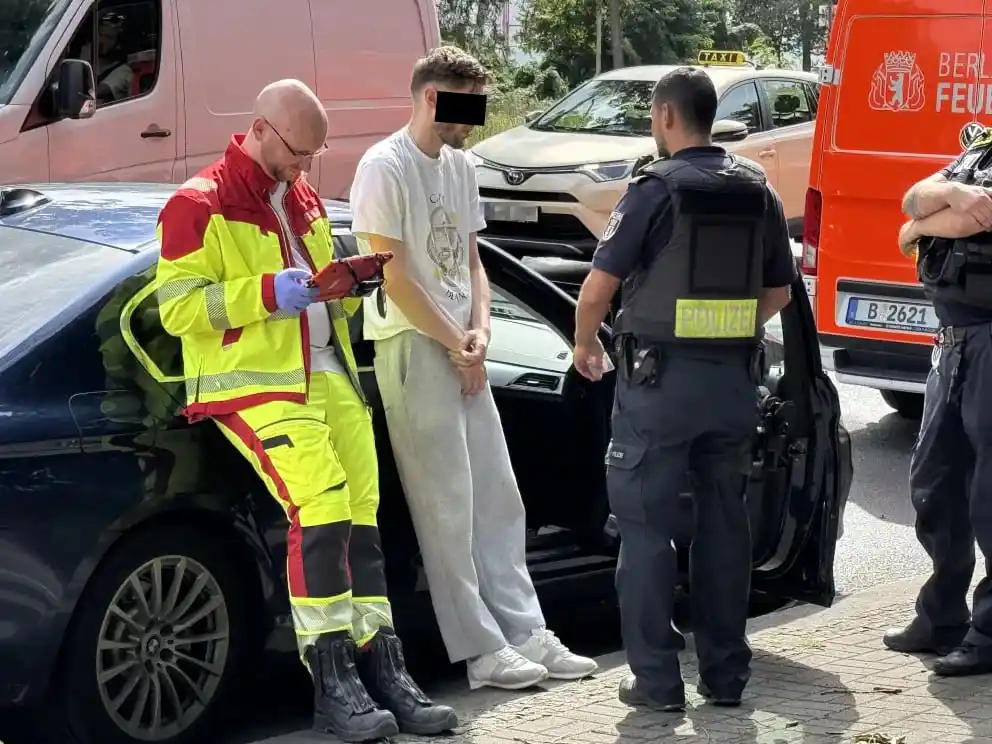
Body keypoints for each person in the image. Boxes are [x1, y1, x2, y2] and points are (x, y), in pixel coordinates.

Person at [154, 79, 456, 741]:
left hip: (328, 377)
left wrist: (350, 282)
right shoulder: (198, 204)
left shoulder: (301, 195)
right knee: (319, 507)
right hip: (256, 387)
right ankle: (333, 683)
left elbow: (321, 292)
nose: (305, 167)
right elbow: (176, 309)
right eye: (297, 151)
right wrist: (266, 292)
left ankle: (383, 668)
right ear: (260, 127)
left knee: (361, 516)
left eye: (313, 155)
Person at [348, 46, 598, 691]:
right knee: (447, 508)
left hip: (463, 347)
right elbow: (391, 272)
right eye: (466, 106)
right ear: (431, 96)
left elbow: (473, 259)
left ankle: (524, 630)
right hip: (414, 346)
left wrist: (479, 332)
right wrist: (458, 342)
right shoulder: (384, 166)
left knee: (496, 498)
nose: (473, 121)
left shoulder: (460, 166)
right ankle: (481, 651)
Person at [572, 67, 795, 711]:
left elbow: (597, 288)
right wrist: (726, 330)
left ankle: (657, 685)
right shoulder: (758, 190)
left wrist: (588, 345)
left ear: (667, 117)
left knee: (645, 531)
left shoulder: (654, 190)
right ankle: (726, 678)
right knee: (726, 525)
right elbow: (778, 291)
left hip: (657, 388)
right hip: (731, 387)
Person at [884, 126, 992, 677]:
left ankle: (990, 632)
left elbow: (978, 218)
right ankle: (941, 615)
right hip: (954, 340)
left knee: (991, 495)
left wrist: (924, 224)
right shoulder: (979, 152)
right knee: (936, 481)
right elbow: (912, 200)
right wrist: (941, 202)